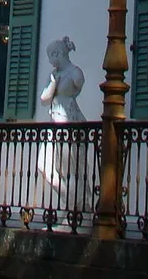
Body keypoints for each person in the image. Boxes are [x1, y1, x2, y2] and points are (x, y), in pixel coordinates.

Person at [37, 37, 90, 213]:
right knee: (44, 166)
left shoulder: (75, 72)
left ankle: (76, 211)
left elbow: (79, 83)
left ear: (57, 54)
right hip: (55, 123)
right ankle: (74, 202)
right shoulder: (54, 75)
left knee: (70, 169)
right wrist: (53, 83)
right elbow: (44, 99)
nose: (50, 61)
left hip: (69, 121)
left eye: (50, 56)